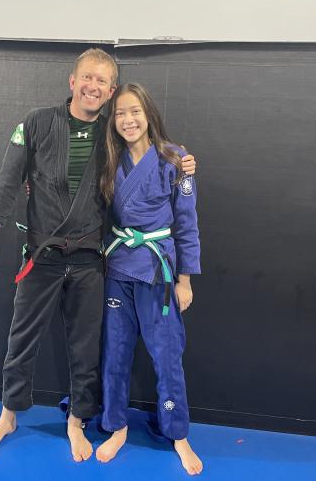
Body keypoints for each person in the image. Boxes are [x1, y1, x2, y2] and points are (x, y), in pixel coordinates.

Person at [0, 49, 196, 462]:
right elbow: (7, 181)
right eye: (87, 78)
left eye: (102, 82)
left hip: (90, 260)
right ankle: (8, 414)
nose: (93, 86)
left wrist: (180, 159)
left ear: (110, 91)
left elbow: (150, 152)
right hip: (41, 255)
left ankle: (77, 421)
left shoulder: (112, 136)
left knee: (86, 347)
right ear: (73, 81)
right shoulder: (37, 123)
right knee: (21, 339)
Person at [94, 83, 203, 475]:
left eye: (135, 111)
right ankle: (116, 425)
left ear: (148, 114)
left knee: (167, 352)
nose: (128, 120)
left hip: (159, 272)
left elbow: (187, 224)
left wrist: (185, 280)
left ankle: (177, 432)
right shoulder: (109, 159)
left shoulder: (176, 159)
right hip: (118, 267)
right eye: (120, 113)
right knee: (115, 351)